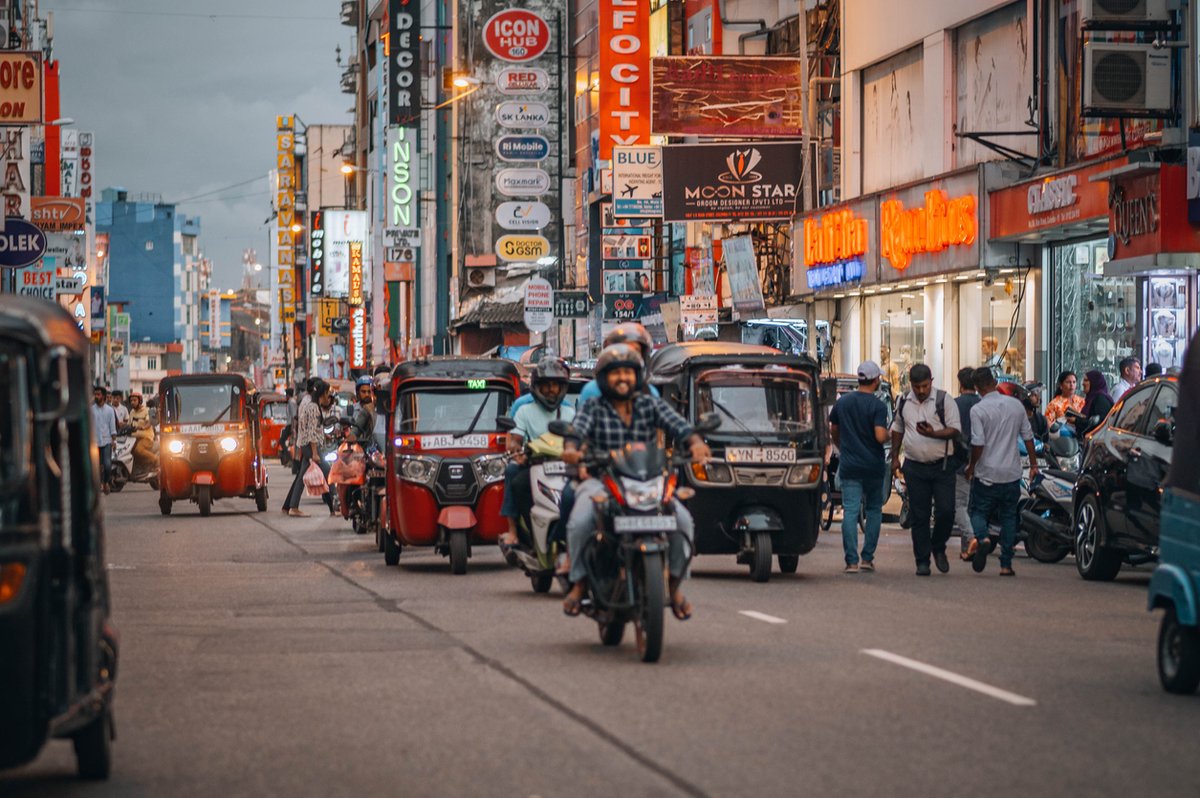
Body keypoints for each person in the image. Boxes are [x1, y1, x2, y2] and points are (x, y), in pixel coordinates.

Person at [560, 344, 711, 619]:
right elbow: (577, 433)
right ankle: (580, 584)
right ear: (604, 378)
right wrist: (573, 449)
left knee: (684, 523)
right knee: (581, 521)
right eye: (616, 373)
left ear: (637, 377)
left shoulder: (649, 403)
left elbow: (678, 424)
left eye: (628, 373)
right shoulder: (594, 406)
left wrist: (695, 442)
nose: (622, 378)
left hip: (649, 483)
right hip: (602, 481)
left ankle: (674, 586)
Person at [890, 363, 962, 576]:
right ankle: (922, 561)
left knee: (946, 511)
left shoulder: (944, 400)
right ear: (910, 384)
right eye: (916, 386)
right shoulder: (904, 400)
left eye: (924, 386)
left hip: (942, 467)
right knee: (919, 516)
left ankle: (938, 546)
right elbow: (897, 428)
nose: (921, 391)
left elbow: (955, 430)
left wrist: (933, 434)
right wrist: (894, 457)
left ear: (931, 381)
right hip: (914, 467)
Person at [965, 368, 1040, 576]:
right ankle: (1006, 564)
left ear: (977, 388)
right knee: (1009, 517)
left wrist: (971, 467)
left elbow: (977, 443)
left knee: (978, 512)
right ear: (995, 381)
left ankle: (983, 538)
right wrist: (1033, 465)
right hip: (1011, 473)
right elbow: (1028, 437)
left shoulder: (978, 410)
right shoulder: (1016, 406)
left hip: (986, 473)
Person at [499, 357, 575, 547]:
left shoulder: (570, 413)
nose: (551, 390)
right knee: (513, 476)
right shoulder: (524, 411)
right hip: (534, 465)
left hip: (565, 467)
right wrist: (518, 453)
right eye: (546, 385)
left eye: (556, 385)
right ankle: (515, 530)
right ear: (536, 386)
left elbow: (579, 440)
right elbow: (515, 441)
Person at [828, 361, 890, 573]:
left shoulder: (843, 403)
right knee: (873, 510)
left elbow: (833, 430)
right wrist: (890, 434)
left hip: (850, 464)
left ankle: (851, 561)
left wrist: (842, 446)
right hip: (873, 465)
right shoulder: (878, 406)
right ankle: (867, 558)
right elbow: (880, 436)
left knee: (850, 511)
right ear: (875, 381)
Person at [282, 379, 332, 517]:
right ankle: (335, 507)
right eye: (327, 393)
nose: (329, 396)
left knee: (301, 476)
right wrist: (315, 453)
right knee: (327, 473)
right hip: (309, 445)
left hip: (306, 444)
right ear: (323, 393)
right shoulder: (312, 407)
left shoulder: (311, 404)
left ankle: (292, 506)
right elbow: (311, 431)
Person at [952, 367, 982, 560]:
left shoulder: (954, 405)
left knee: (960, 504)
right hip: (984, 461)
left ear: (960, 384)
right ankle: (966, 549)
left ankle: (971, 539)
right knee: (975, 505)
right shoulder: (983, 404)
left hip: (960, 461)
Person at [91, 386, 118, 494]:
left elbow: (112, 427)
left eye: (98, 394)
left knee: (107, 465)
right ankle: (99, 485)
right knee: (96, 466)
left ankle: (106, 482)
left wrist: (114, 441)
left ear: (103, 396)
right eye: (95, 394)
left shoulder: (110, 410)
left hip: (106, 441)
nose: (96, 396)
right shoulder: (91, 410)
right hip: (94, 442)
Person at [1075, 370, 1114, 437]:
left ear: (1094, 383)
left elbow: (1100, 422)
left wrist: (1076, 421)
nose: (1083, 383)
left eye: (1086, 380)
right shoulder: (1092, 398)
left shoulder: (1100, 399)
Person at [128, 392, 156, 475]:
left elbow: (149, 422)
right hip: (133, 438)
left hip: (146, 437)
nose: (132, 402)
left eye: (134, 400)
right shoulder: (132, 412)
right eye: (131, 400)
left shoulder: (146, 410)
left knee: (138, 450)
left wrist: (143, 427)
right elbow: (129, 424)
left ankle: (155, 460)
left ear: (140, 401)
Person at [349, 375, 376, 445]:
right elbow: (355, 432)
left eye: (369, 392)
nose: (367, 395)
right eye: (363, 392)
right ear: (358, 393)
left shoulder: (383, 409)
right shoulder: (350, 409)